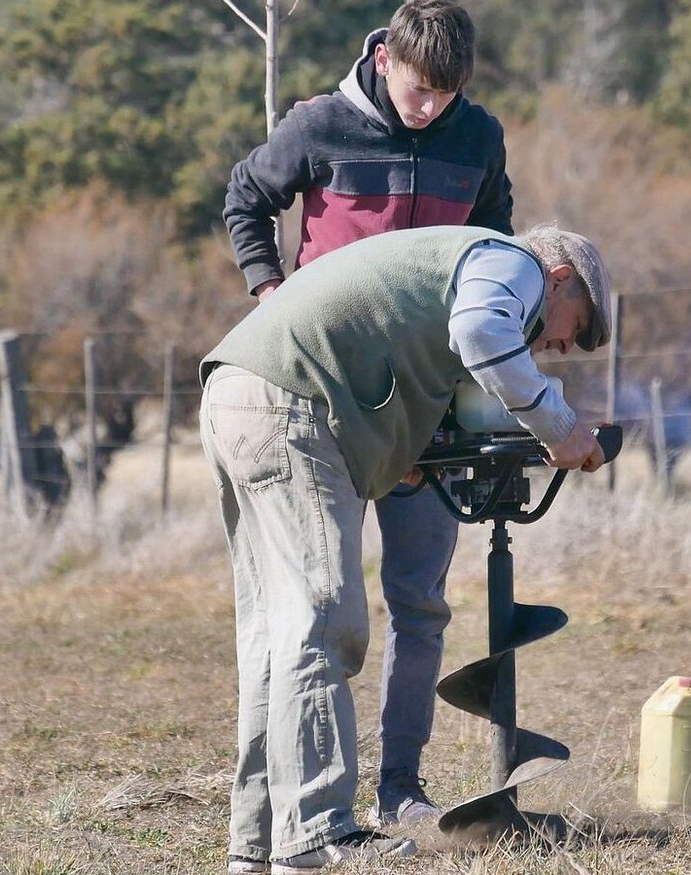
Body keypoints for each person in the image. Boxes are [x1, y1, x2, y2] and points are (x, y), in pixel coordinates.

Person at [201, 224, 612, 874]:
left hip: (238, 391)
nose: (562, 343)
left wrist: (404, 452)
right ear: (560, 277)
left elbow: (405, 351)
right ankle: (314, 830)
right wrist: (558, 424)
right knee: (321, 618)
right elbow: (480, 334)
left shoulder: (455, 263)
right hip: (289, 403)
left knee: (274, 638)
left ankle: (256, 845)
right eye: (575, 323)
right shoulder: (512, 264)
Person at [222, 0, 513, 834]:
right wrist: (274, 296)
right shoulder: (315, 127)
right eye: (422, 92)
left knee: (420, 601)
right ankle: (315, 807)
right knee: (324, 610)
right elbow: (246, 198)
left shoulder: (478, 137)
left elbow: (494, 245)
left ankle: (402, 787)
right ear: (384, 60)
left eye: (448, 95)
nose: (433, 109)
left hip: (429, 402)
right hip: (326, 404)